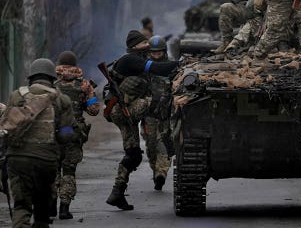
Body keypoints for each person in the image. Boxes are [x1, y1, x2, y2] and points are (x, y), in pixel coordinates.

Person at [104, 30, 178, 210]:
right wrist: (181, 64)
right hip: (123, 110)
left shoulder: (133, 58)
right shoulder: (131, 60)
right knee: (157, 102)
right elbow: (158, 68)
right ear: (135, 46)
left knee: (133, 155)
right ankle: (168, 138)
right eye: (144, 43)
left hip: (123, 111)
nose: (148, 45)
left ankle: (117, 193)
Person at [4, 58, 75, 228]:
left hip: (17, 159)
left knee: (21, 205)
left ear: (31, 78)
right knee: (42, 208)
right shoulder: (61, 99)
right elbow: (66, 135)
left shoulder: (16, 95)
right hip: (46, 160)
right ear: (52, 78)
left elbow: (7, 126)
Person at [51, 51, 100, 220]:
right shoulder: (84, 85)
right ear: (75, 65)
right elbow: (94, 110)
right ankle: (64, 208)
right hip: (72, 131)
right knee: (69, 170)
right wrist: (87, 98)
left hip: (55, 131)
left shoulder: (52, 85)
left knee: (53, 168)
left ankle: (51, 205)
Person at [142, 36, 172, 191]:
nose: (157, 55)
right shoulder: (145, 67)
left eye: (159, 52)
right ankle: (156, 170)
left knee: (164, 144)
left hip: (166, 113)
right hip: (149, 113)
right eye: (154, 52)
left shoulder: (171, 66)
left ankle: (161, 173)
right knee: (151, 144)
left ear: (164, 51)